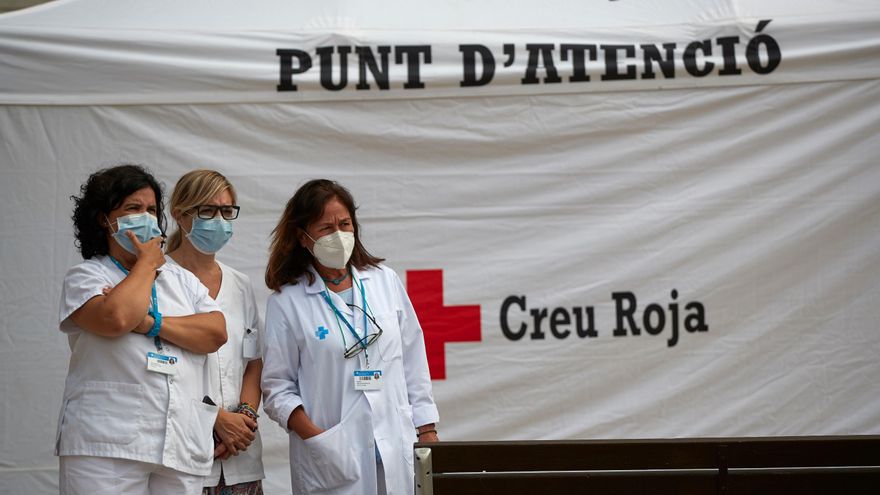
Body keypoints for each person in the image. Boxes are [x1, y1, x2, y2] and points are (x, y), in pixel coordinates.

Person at [56, 164, 228, 495]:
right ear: (103, 219)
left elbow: (215, 333)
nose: (146, 217)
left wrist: (152, 323)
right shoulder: (87, 276)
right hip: (107, 445)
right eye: (133, 208)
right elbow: (116, 319)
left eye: (151, 209)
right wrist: (147, 263)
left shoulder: (181, 279)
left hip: (179, 440)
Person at [261, 179, 440, 495]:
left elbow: (413, 361)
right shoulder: (287, 302)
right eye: (326, 229)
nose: (339, 236)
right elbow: (277, 388)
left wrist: (426, 431)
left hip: (396, 444)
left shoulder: (384, 281)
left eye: (344, 224)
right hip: (332, 456)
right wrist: (318, 438)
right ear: (303, 238)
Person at [165, 169, 266, 495]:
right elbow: (156, 368)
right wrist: (213, 419)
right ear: (180, 215)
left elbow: (253, 360)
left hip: (241, 451)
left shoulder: (239, 284)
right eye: (208, 211)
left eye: (227, 211)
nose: (219, 220)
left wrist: (245, 418)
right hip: (186, 452)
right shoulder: (156, 280)